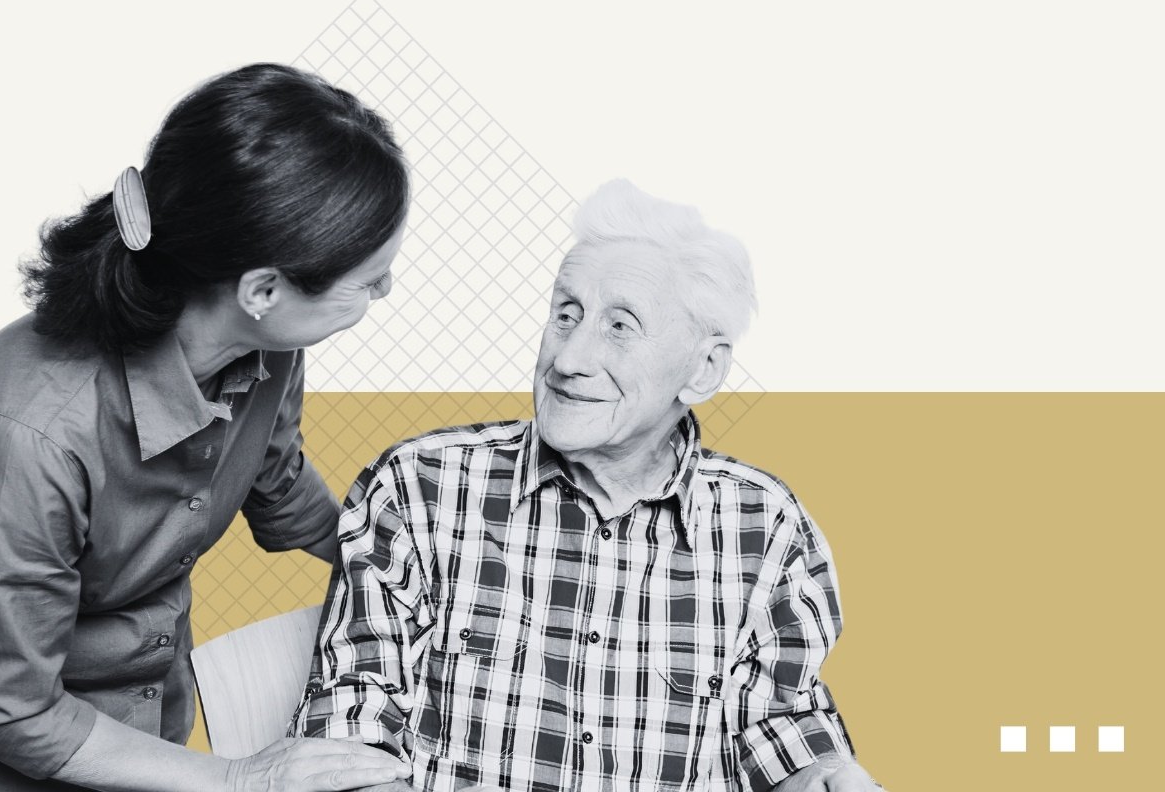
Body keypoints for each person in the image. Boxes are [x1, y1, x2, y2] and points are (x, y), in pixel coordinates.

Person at [0, 63, 417, 792]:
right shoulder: (24, 434)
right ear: (262, 289)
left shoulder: (268, 346)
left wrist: (401, 564)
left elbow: (275, 476)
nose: (385, 290)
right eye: (369, 278)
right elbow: (11, 715)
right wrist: (240, 779)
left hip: (146, 714)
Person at [292, 180, 882, 792]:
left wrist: (825, 776)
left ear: (703, 369)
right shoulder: (420, 488)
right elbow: (351, 725)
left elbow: (779, 721)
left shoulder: (767, 527)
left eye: (619, 327)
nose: (569, 358)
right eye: (565, 315)